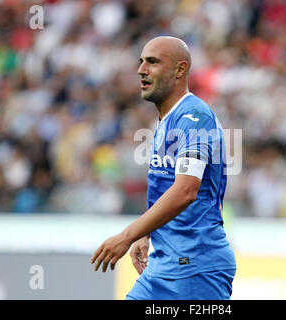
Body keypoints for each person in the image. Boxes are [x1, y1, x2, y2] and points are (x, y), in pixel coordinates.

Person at [91, 36, 236, 300]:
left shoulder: (195, 117)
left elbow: (185, 191)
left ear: (180, 70)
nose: (141, 70)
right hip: (163, 266)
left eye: (153, 62)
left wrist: (127, 235)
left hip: (196, 267)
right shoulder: (165, 121)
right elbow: (166, 186)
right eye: (141, 61)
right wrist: (146, 232)